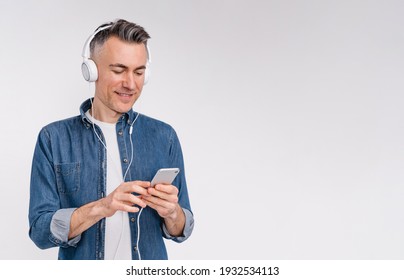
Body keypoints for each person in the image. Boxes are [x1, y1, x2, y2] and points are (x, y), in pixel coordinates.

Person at [28, 19, 194, 260]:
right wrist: (102, 207)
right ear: (91, 70)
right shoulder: (53, 138)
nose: (130, 83)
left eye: (139, 72)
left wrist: (172, 213)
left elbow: (182, 228)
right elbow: (40, 231)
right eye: (118, 70)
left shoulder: (164, 136)